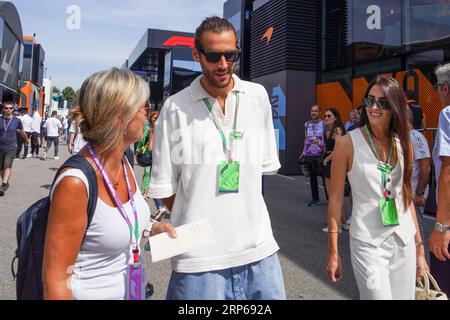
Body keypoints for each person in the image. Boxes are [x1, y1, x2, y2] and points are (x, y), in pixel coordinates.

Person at [149, 16, 285, 300]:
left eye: (231, 55)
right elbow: (167, 189)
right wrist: (200, 212)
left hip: (259, 252)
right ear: (197, 54)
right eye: (213, 56)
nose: (223, 64)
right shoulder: (175, 109)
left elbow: (260, 170)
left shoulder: (257, 96)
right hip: (199, 262)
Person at [42, 68, 176, 300]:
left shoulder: (125, 162)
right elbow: (55, 281)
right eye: (144, 108)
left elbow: (111, 225)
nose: (148, 115)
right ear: (119, 118)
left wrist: (150, 229)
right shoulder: (75, 183)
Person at [326, 75, 428, 300]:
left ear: (395, 107)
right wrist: (333, 250)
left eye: (383, 103)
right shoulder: (346, 143)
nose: (374, 107)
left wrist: (420, 249)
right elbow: (335, 199)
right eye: (370, 100)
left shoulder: (405, 145)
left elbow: (406, 198)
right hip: (367, 242)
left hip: (404, 239)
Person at [429, 63, 450, 295]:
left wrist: (442, 227)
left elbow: (448, 170)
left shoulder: (448, 114)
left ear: (445, 88)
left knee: (442, 288)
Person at [406, 108, 431, 244]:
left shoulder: (416, 137)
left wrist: (420, 193)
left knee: (417, 233)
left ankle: (420, 263)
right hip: (403, 195)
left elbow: (425, 166)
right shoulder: (399, 137)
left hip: (415, 195)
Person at [321, 108, 347, 232]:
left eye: (329, 116)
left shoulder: (337, 129)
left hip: (332, 161)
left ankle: (336, 225)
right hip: (329, 159)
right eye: (325, 116)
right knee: (333, 194)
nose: (326, 118)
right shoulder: (330, 130)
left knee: (332, 194)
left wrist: (327, 160)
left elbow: (338, 148)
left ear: (335, 117)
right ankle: (342, 222)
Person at [0, 102, 29, 196]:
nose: (8, 110)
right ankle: (6, 182)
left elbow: (22, 131)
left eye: (10, 108)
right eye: (6, 108)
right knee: (1, 169)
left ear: (13, 109)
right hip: (0, 147)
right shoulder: (0, 119)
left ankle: (3, 185)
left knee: (7, 166)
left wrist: (26, 140)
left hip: (11, 147)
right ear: (3, 109)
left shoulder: (17, 120)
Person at [303, 105, 325, 207]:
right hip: (309, 155)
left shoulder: (324, 124)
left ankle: (331, 200)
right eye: (312, 111)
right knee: (312, 179)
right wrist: (303, 152)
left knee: (326, 179)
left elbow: (326, 139)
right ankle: (315, 199)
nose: (313, 113)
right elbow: (305, 138)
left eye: (316, 111)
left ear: (320, 112)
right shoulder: (307, 124)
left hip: (320, 155)